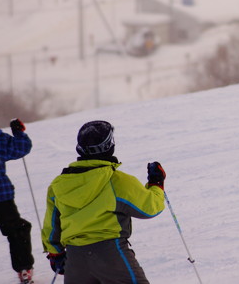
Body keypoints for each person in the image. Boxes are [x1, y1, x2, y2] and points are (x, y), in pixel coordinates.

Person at [42, 120, 166, 283]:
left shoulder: (58, 186)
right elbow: (150, 208)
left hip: (75, 260)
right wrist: (156, 184)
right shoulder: (116, 180)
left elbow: (51, 225)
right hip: (110, 254)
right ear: (109, 146)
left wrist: (55, 253)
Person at [0, 118, 35, 284]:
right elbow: (21, 148)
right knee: (17, 230)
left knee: (17, 229)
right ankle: (24, 268)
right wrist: (18, 132)